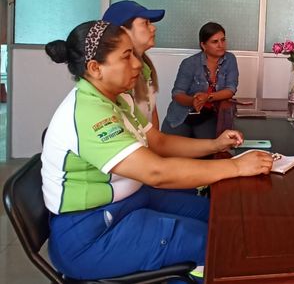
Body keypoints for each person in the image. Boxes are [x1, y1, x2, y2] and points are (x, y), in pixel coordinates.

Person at [42, 20, 273, 281]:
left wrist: (215, 144)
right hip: (91, 234)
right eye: (126, 56)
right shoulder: (88, 112)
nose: (137, 64)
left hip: (131, 202)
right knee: (211, 242)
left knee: (219, 216)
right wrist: (236, 166)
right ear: (95, 68)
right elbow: (156, 172)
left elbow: (159, 142)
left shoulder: (117, 98)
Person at [162, 22, 238, 139]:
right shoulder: (190, 63)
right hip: (182, 115)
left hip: (209, 115)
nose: (221, 45)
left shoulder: (230, 59)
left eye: (223, 40)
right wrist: (194, 101)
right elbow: (177, 94)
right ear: (203, 45)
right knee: (171, 146)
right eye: (215, 42)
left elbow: (231, 89)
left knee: (212, 146)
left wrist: (207, 97)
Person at [102, 0, 164, 129]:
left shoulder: (145, 66)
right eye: (145, 23)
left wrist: (156, 140)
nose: (153, 28)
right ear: (122, 32)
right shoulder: (114, 77)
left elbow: (151, 111)